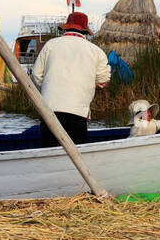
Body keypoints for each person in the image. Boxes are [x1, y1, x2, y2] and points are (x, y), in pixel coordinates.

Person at [31, 11, 110, 145]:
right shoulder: (96, 51)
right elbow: (103, 81)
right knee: (76, 153)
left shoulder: (51, 45)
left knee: (49, 151)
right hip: (77, 112)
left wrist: (46, 90)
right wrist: (87, 85)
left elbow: (36, 76)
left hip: (49, 109)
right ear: (85, 31)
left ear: (67, 27)